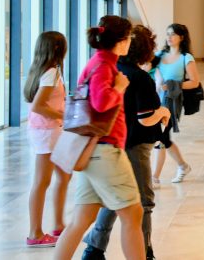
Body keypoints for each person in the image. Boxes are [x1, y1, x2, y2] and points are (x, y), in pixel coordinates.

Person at [54, 16, 145, 260]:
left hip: (93, 150)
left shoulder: (98, 62)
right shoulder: (104, 65)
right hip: (105, 150)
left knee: (82, 219)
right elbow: (101, 101)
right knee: (133, 214)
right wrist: (119, 88)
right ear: (122, 41)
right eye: (129, 38)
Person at [82, 25, 170, 260]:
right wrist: (162, 112)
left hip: (115, 144)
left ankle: (94, 248)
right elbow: (144, 118)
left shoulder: (113, 70)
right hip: (137, 146)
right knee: (144, 201)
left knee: (114, 199)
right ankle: (145, 251)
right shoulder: (140, 78)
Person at [24, 31, 72, 248]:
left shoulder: (41, 70)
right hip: (47, 132)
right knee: (42, 182)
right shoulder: (51, 72)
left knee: (64, 176)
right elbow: (38, 105)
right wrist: (63, 116)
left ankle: (59, 224)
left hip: (48, 131)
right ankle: (35, 233)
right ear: (56, 49)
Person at [152, 24, 196, 186]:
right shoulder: (159, 55)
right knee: (164, 137)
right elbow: (148, 69)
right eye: (167, 34)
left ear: (181, 37)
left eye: (173, 34)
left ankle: (154, 177)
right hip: (156, 102)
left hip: (173, 103)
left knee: (161, 138)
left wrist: (172, 85)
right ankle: (183, 166)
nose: (169, 37)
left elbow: (194, 82)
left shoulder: (186, 58)